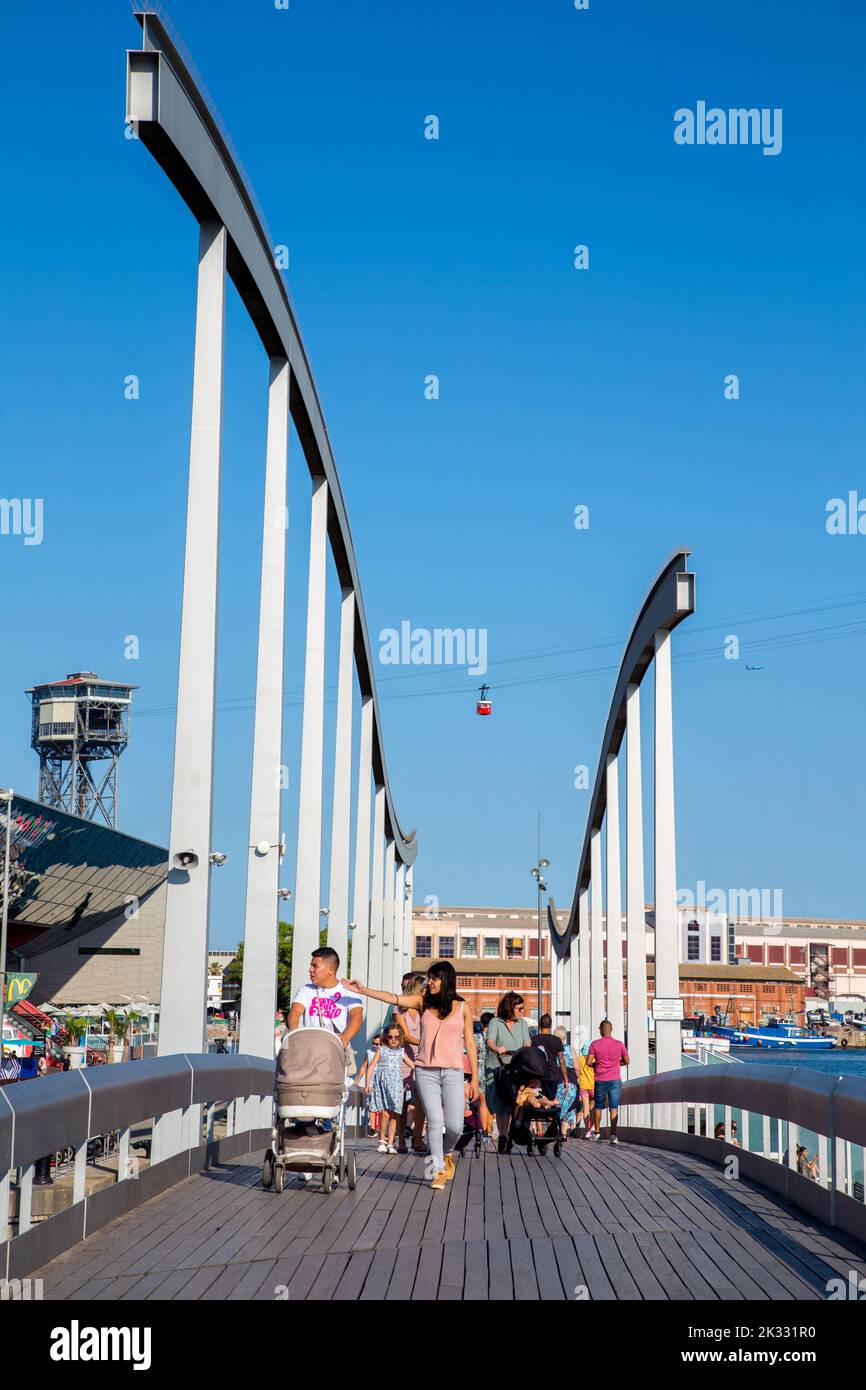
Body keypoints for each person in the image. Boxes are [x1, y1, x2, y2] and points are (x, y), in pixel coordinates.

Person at [346, 961, 478, 1191]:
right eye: (429, 978)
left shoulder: (462, 1007)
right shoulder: (422, 1002)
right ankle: (436, 1171)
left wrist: (475, 1078)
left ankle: (447, 1153)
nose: (430, 982)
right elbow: (393, 999)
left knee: (455, 1126)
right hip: (425, 1070)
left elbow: (470, 1043)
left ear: (446, 980)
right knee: (435, 1123)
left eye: (435, 978)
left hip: (454, 1072)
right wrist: (363, 990)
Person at [288, 947, 363, 1066]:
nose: (310, 970)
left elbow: (356, 1016)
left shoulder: (349, 991)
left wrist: (345, 1037)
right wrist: (294, 1032)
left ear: (330, 970)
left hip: (335, 1052)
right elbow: (295, 1011)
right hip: (308, 1052)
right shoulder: (306, 990)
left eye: (315, 966)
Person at [485, 992, 533, 1151]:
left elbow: (527, 1042)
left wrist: (526, 1051)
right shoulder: (495, 1022)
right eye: (519, 1009)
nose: (522, 1012)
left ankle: (514, 1131)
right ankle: (503, 1136)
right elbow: (490, 1041)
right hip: (499, 1067)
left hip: (517, 1068)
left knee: (518, 1101)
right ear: (510, 1007)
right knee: (502, 1104)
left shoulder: (522, 1024)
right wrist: (497, 1048)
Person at [365, 1024, 412, 1154]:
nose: (393, 1039)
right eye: (390, 1036)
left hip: (396, 1085)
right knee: (385, 1113)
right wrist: (367, 1084)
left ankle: (391, 1143)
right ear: (386, 1037)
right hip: (382, 1085)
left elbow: (413, 1066)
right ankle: (381, 1141)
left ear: (400, 1038)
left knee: (394, 1115)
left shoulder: (401, 1052)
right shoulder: (381, 1050)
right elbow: (371, 1067)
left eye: (396, 1037)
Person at [394, 973, 427, 1154]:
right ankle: (400, 1140)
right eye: (423, 990)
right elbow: (404, 1035)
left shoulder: (425, 1009)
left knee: (421, 1098)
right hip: (404, 1057)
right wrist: (426, 1042)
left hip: (422, 1057)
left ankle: (417, 1137)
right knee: (401, 1100)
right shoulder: (398, 1011)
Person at [587, 1020, 629, 1145]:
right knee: (614, 1107)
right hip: (615, 1080)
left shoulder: (595, 1044)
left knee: (598, 1106)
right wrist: (617, 1063)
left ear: (600, 1030)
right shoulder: (619, 1044)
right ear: (611, 1029)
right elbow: (627, 1060)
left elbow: (588, 1062)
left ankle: (597, 1133)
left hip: (600, 1079)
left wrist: (596, 1064)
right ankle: (613, 1136)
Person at [532, 1014, 570, 1100]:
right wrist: (566, 1078)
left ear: (540, 1025)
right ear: (551, 1026)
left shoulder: (534, 1040)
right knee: (551, 1101)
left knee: (539, 1100)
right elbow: (561, 1061)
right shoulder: (557, 1040)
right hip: (553, 1075)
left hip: (539, 1076)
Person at [553, 1027, 578, 1138]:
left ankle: (561, 1132)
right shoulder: (570, 1049)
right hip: (571, 1079)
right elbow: (577, 1066)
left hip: (558, 1080)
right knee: (568, 1105)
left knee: (559, 1104)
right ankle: (563, 1133)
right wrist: (578, 1077)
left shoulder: (553, 1050)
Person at [578, 1043, 595, 1137]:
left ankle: (587, 1130)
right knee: (593, 1108)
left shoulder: (580, 1059)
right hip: (593, 1086)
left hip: (583, 1086)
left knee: (586, 1109)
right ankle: (593, 1128)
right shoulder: (593, 1059)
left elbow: (577, 1071)